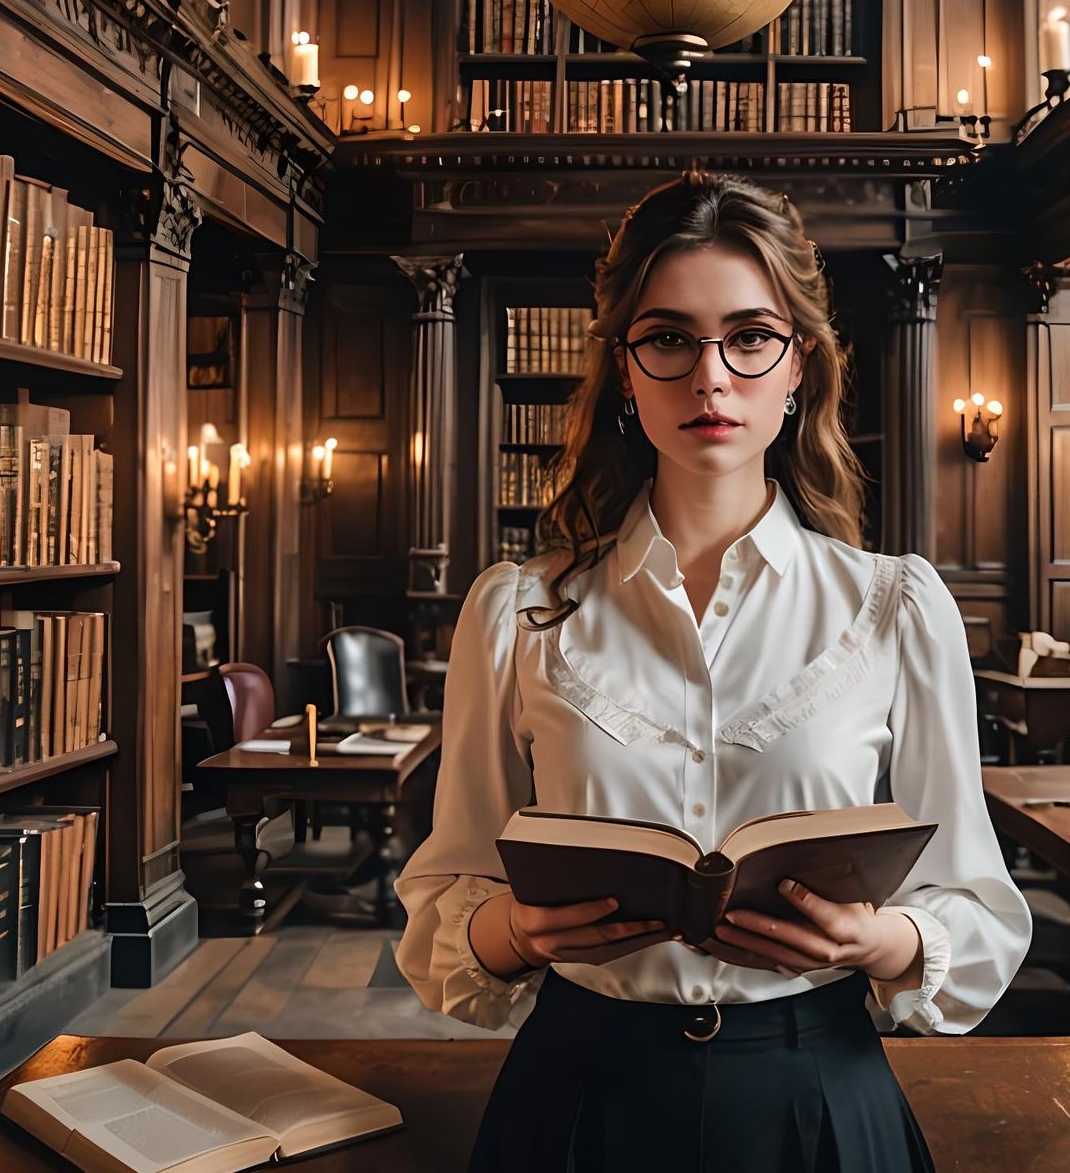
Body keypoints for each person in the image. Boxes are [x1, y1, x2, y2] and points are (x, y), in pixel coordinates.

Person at [395, 170, 1031, 1171]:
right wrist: (512, 931)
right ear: (624, 369)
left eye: (748, 336)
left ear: (798, 367)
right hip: (577, 1094)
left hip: (818, 1092)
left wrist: (884, 944)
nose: (710, 377)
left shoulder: (898, 608)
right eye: (669, 338)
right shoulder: (515, 609)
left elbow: (979, 907)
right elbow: (445, 904)